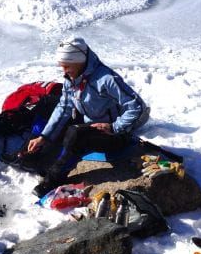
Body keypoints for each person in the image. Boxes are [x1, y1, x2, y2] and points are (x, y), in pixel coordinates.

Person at [27, 37, 149, 196]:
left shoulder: (106, 79)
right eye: (61, 66)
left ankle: (54, 178)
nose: (63, 71)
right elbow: (64, 108)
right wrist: (44, 136)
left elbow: (137, 106)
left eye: (67, 66)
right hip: (92, 126)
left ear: (79, 61)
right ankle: (43, 159)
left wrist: (115, 127)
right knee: (52, 108)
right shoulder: (72, 79)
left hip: (114, 135)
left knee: (75, 133)